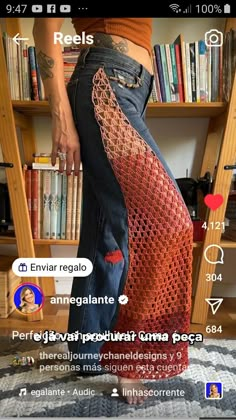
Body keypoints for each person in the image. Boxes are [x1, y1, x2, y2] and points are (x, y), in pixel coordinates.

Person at [33, 18, 193, 405]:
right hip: (108, 80)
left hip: (132, 87)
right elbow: (45, 26)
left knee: (105, 227)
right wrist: (60, 116)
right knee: (166, 223)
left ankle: (88, 354)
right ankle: (129, 356)